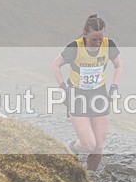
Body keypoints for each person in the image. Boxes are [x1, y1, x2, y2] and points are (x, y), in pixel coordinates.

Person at [51, 14, 122, 171]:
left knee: (99, 146)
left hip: (99, 96)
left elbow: (118, 65)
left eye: (100, 39)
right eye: (93, 39)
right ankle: (72, 148)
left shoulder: (108, 45)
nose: (97, 43)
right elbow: (56, 65)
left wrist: (114, 86)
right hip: (77, 97)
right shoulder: (75, 48)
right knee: (89, 145)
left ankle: (90, 177)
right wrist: (63, 86)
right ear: (85, 34)